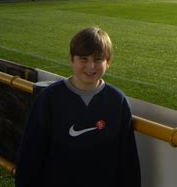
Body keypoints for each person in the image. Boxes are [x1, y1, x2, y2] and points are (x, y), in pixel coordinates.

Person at [15, 27, 141, 187]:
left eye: (98, 59)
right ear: (71, 59)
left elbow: (128, 161)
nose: (91, 66)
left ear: (108, 61)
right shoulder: (50, 98)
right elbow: (30, 154)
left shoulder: (117, 101)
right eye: (83, 59)